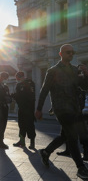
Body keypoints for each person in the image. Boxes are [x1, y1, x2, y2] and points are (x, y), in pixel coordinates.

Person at [35, 44, 88, 179]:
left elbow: (84, 87)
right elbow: (44, 90)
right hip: (61, 109)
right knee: (72, 137)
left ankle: (46, 152)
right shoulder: (53, 71)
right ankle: (81, 167)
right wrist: (39, 109)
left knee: (66, 135)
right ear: (61, 54)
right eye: (68, 52)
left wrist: (86, 74)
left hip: (75, 108)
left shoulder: (75, 70)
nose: (71, 54)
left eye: (72, 52)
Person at [11, 71, 36, 149]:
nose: (17, 79)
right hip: (25, 108)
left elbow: (21, 96)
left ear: (19, 77)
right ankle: (22, 141)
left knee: (29, 125)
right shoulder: (31, 82)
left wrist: (13, 96)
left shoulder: (22, 84)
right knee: (22, 124)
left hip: (26, 108)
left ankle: (31, 143)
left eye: (17, 78)